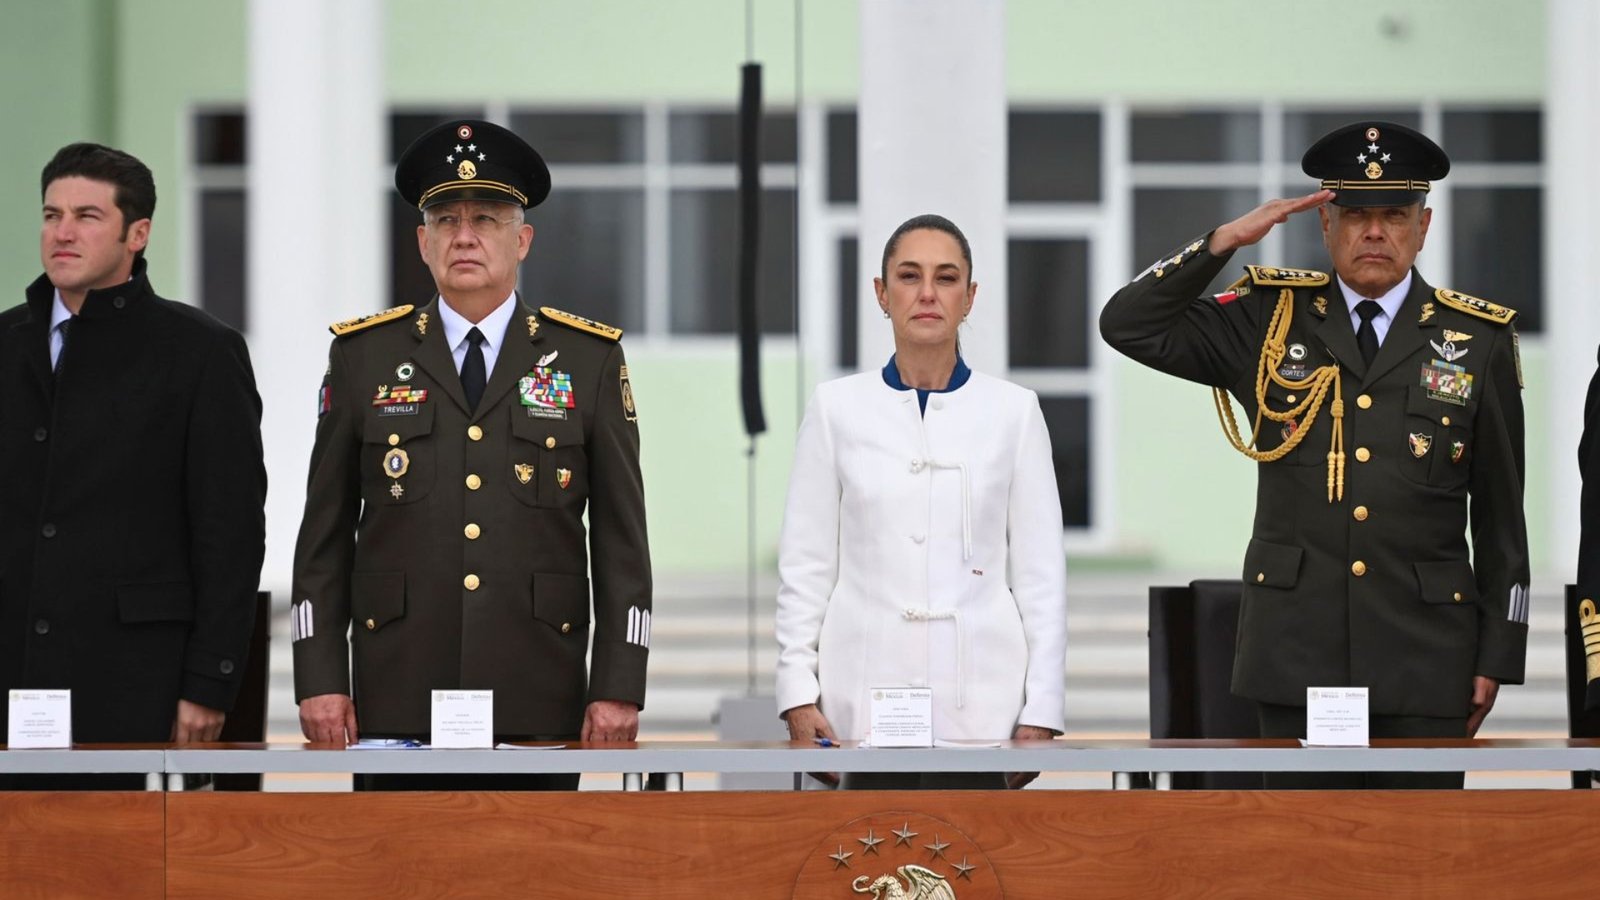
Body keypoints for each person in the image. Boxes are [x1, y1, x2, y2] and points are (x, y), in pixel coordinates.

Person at [1100, 122, 1529, 789]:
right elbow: (1129, 324)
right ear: (1326, 225)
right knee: (1302, 865)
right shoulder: (1268, 319)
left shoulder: (1475, 340)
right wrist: (1223, 244)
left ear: (1425, 225)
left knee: (1418, 870)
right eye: (1356, 215)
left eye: (1395, 215)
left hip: (1425, 658)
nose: (1375, 233)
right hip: (1298, 656)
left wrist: (1498, 653)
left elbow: (1502, 516)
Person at [291, 120, 650, 790]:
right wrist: (318, 677)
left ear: (523, 240)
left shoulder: (586, 360)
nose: (464, 236)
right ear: (422, 242)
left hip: (537, 686)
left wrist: (620, 683)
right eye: (445, 219)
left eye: (486, 218)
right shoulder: (365, 356)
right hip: (395, 686)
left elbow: (624, 541)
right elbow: (323, 538)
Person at [0, 143, 267, 787]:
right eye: (51, 213)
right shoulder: (3, 345)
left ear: (137, 233)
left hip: (131, 678)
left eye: (87, 215)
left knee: (112, 872)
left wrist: (210, 683)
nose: (62, 232)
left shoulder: (201, 352)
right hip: (9, 671)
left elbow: (229, 534)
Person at [775, 214, 1068, 789]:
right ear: (881, 294)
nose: (928, 293)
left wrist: (1043, 709)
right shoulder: (836, 408)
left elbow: (1041, 574)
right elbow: (805, 565)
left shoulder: (1014, 412)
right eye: (909, 276)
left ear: (970, 296)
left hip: (986, 703)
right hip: (856, 699)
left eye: (947, 277)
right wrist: (796, 694)